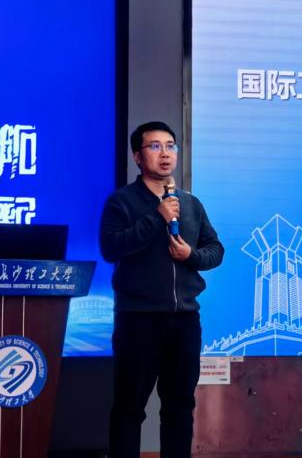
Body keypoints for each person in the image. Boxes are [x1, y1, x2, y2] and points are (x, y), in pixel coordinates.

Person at [100, 121, 224, 457]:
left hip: (184, 320)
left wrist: (191, 256)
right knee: (129, 407)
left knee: (180, 406)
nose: (165, 153)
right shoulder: (121, 202)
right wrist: (157, 217)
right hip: (138, 319)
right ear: (137, 156)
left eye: (171, 146)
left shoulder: (191, 204)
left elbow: (216, 250)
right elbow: (111, 248)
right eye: (155, 146)